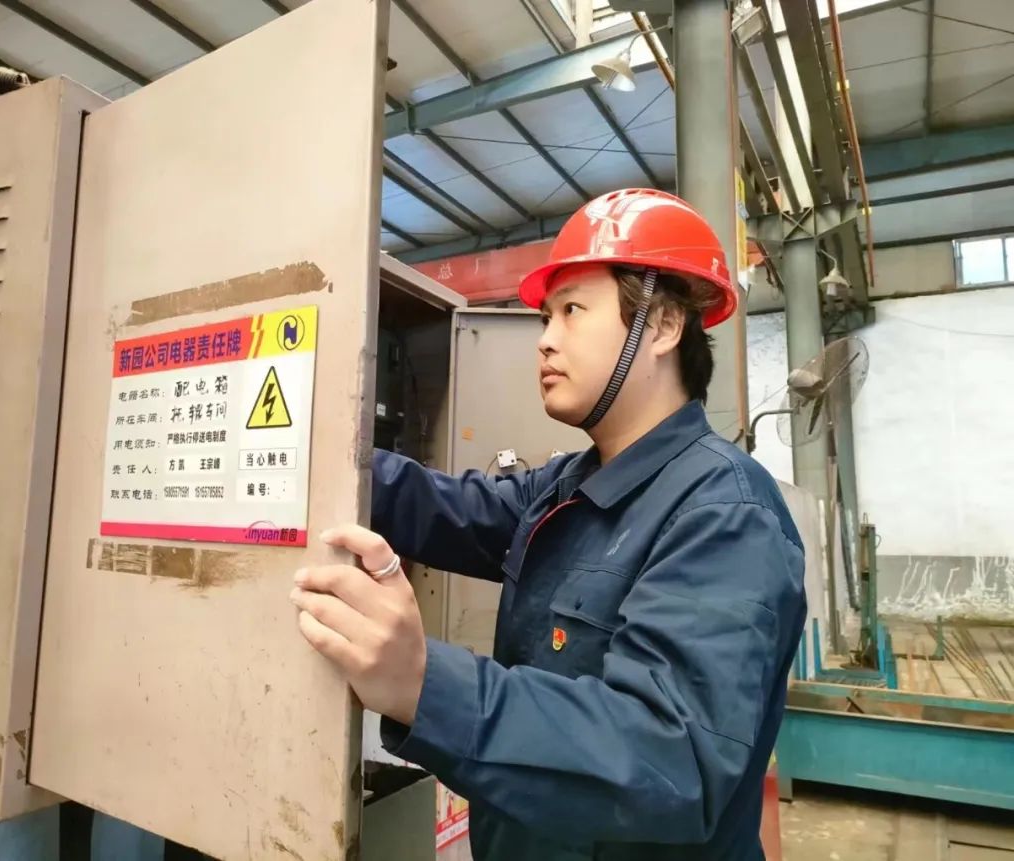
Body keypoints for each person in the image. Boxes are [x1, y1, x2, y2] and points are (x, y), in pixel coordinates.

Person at [290, 188, 807, 860]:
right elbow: (442, 506)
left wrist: (422, 682)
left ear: (661, 325)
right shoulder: (567, 487)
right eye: (544, 317)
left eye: (571, 311)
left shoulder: (725, 514)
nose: (546, 339)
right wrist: (325, 452)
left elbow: (670, 759)